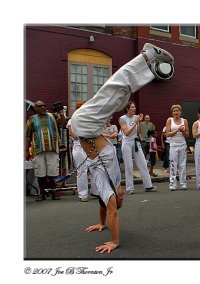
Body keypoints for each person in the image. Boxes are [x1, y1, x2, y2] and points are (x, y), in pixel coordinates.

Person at [69, 43, 174, 253]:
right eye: (120, 198)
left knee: (114, 94)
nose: (121, 196)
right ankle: (147, 59)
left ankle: (147, 61)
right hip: (86, 128)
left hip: (88, 130)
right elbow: (112, 212)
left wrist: (102, 224)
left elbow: (104, 206)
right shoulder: (110, 186)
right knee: (116, 96)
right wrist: (114, 241)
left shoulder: (107, 189)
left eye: (120, 198)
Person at [25, 100, 66, 201]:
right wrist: (26, 150)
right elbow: (28, 136)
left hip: (52, 148)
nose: (43, 107)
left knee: (53, 171)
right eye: (40, 106)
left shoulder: (53, 116)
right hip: (38, 150)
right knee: (40, 172)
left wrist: (61, 114)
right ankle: (41, 193)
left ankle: (54, 192)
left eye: (44, 105)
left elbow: (63, 124)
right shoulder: (31, 119)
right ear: (35, 108)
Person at [119, 101, 158, 194]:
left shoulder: (136, 117)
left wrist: (139, 122)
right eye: (132, 107)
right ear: (127, 109)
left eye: (134, 107)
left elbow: (139, 131)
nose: (134, 108)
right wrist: (135, 123)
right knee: (129, 166)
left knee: (143, 164)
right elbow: (126, 132)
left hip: (135, 141)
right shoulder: (122, 119)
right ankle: (130, 188)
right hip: (127, 142)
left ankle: (148, 186)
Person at [67, 100, 98, 202]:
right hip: (79, 148)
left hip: (89, 146)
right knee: (82, 171)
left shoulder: (87, 120)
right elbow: (74, 136)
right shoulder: (71, 121)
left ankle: (95, 191)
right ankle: (83, 194)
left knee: (95, 168)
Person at [166, 104, 189, 191]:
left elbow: (187, 135)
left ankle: (183, 183)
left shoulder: (184, 121)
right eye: (174, 111)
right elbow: (168, 134)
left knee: (182, 164)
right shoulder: (169, 120)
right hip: (173, 145)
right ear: (172, 113)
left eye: (177, 111)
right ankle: (172, 184)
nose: (176, 112)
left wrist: (182, 130)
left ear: (180, 112)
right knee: (173, 164)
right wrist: (176, 130)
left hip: (182, 145)